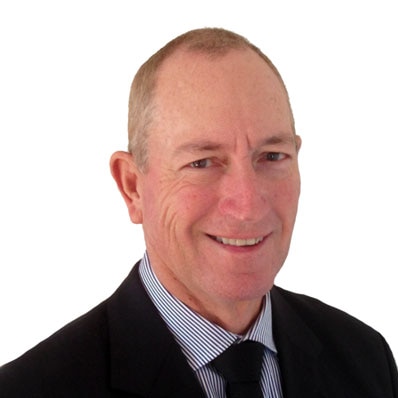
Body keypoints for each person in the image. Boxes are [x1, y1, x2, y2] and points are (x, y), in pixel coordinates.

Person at [0, 27, 397, 398]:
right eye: (203, 163)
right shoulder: (31, 388)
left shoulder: (366, 358)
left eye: (272, 156)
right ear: (132, 187)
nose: (247, 205)